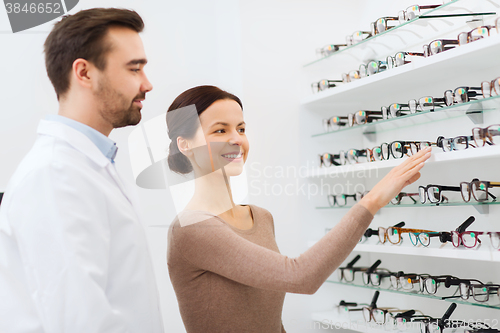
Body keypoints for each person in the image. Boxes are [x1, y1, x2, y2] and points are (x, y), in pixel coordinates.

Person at [165, 85, 431, 333]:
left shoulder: (260, 217)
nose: (237, 139)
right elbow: (301, 276)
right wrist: (372, 200)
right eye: (220, 131)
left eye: (242, 129)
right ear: (185, 144)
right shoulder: (191, 228)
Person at [0, 8, 164, 333]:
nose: (148, 84)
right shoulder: (55, 174)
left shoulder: (88, 164)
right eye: (135, 69)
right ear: (85, 73)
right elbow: (78, 322)